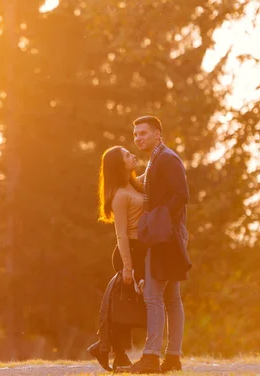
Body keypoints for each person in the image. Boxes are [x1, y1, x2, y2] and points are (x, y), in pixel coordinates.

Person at [117, 115, 191, 374]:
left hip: (166, 235)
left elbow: (182, 194)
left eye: (144, 133)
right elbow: (143, 186)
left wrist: (160, 219)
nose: (138, 138)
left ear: (158, 133)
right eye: (135, 134)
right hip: (167, 233)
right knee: (171, 297)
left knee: (153, 295)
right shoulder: (156, 160)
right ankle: (173, 358)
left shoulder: (168, 158)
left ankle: (150, 358)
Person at [87, 145, 148, 371]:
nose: (132, 154)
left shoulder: (134, 184)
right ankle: (114, 351)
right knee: (128, 306)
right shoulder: (120, 196)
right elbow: (121, 234)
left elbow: (152, 173)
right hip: (129, 252)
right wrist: (128, 268)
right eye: (126, 155)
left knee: (127, 306)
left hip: (140, 251)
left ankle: (108, 349)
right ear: (118, 164)